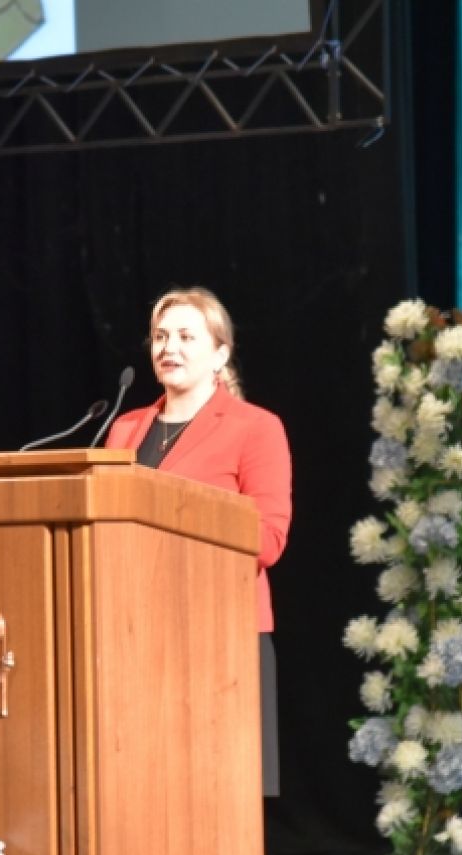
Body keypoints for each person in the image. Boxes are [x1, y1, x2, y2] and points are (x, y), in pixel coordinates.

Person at [105, 287, 292, 795]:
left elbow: (268, 539)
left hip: (220, 636)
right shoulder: (125, 430)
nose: (170, 348)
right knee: (145, 790)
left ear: (220, 354)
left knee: (219, 793)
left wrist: (179, 512)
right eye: (161, 337)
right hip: (136, 636)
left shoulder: (256, 428)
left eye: (187, 337)